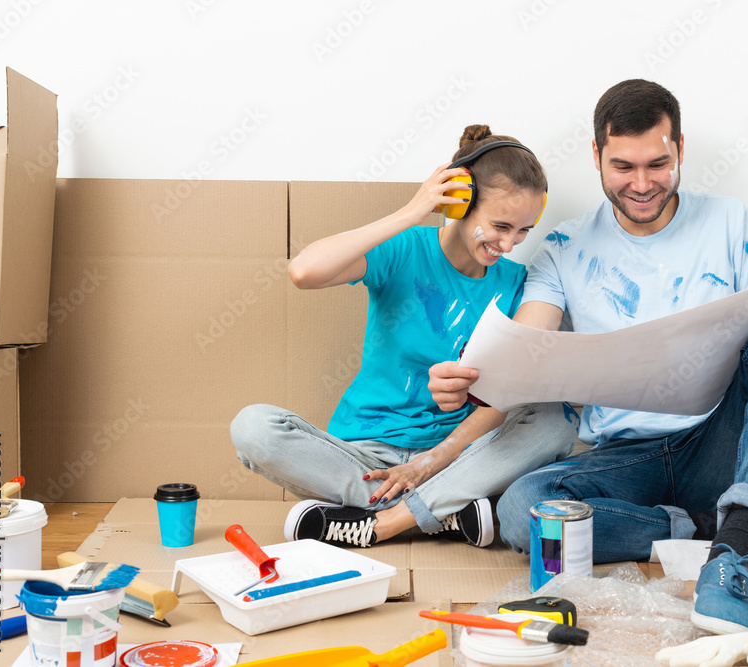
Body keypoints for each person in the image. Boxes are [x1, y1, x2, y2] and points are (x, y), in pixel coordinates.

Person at [428, 81, 748, 635]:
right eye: (623, 166)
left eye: (658, 163)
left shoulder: (730, 222)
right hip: (623, 460)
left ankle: (732, 556)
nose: (641, 184)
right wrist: (472, 381)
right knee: (523, 509)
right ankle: (713, 524)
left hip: (715, 442)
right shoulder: (564, 246)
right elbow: (529, 345)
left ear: (680, 149)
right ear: (595, 157)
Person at [230, 125, 580, 551]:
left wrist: (434, 462)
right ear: (459, 203)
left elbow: (505, 400)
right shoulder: (404, 248)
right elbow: (305, 272)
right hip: (367, 456)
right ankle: (448, 516)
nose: (509, 244)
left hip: (459, 458)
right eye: (501, 225)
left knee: (555, 419)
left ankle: (382, 523)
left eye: (523, 231)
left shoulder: (518, 285)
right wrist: (412, 212)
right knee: (253, 427)